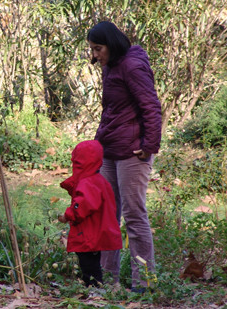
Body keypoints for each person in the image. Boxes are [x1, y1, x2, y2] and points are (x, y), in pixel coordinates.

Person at [87, 21, 162, 292]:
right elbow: (113, 111)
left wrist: (149, 145)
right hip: (110, 149)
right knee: (107, 214)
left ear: (112, 44)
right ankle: (109, 281)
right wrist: (99, 145)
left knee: (134, 215)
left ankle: (144, 284)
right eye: (93, 50)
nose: (95, 55)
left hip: (132, 152)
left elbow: (151, 107)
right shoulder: (111, 65)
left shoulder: (132, 65)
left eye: (98, 48)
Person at [58, 140, 122, 287]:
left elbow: (82, 206)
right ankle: (93, 288)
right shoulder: (98, 180)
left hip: (88, 233)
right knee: (91, 262)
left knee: (89, 264)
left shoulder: (88, 183)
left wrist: (67, 216)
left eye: (76, 163)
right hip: (95, 230)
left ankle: (94, 290)